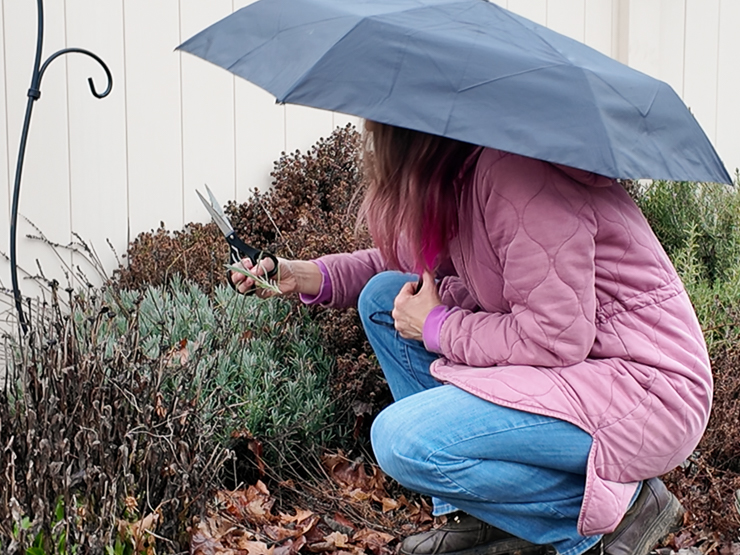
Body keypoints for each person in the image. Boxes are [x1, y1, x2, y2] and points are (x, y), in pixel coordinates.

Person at [231, 121, 712, 555]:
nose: (369, 136)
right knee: (384, 299)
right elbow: (400, 264)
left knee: (404, 440)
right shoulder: (463, 171)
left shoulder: (518, 177)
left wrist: (438, 325)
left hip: (646, 388)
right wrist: (301, 274)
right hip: (587, 370)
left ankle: (621, 509)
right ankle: (482, 517)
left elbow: (554, 337)